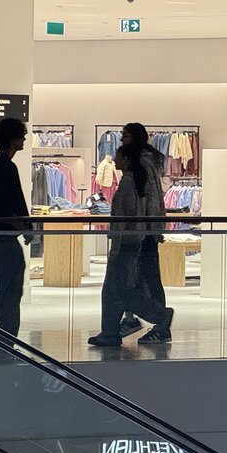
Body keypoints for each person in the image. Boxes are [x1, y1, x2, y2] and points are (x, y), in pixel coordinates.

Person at [88, 145, 173, 347]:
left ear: (126, 159)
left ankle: (159, 315)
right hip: (130, 241)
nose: (114, 160)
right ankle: (111, 332)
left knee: (119, 290)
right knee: (115, 290)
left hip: (126, 243)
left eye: (118, 156)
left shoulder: (129, 181)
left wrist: (119, 239)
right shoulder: (137, 178)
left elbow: (125, 215)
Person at [0, 117, 33, 339]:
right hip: (1, 236)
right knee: (10, 289)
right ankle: (5, 338)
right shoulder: (4, 166)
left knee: (8, 287)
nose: (24, 140)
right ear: (12, 139)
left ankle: (2, 337)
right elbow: (6, 204)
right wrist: (23, 226)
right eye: (21, 136)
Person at [117, 123, 167, 337]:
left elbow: (150, 199)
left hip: (143, 230)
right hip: (141, 229)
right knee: (133, 277)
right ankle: (130, 318)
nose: (122, 140)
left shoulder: (144, 162)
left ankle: (162, 325)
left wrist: (148, 228)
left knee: (148, 277)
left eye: (126, 136)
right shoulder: (144, 161)